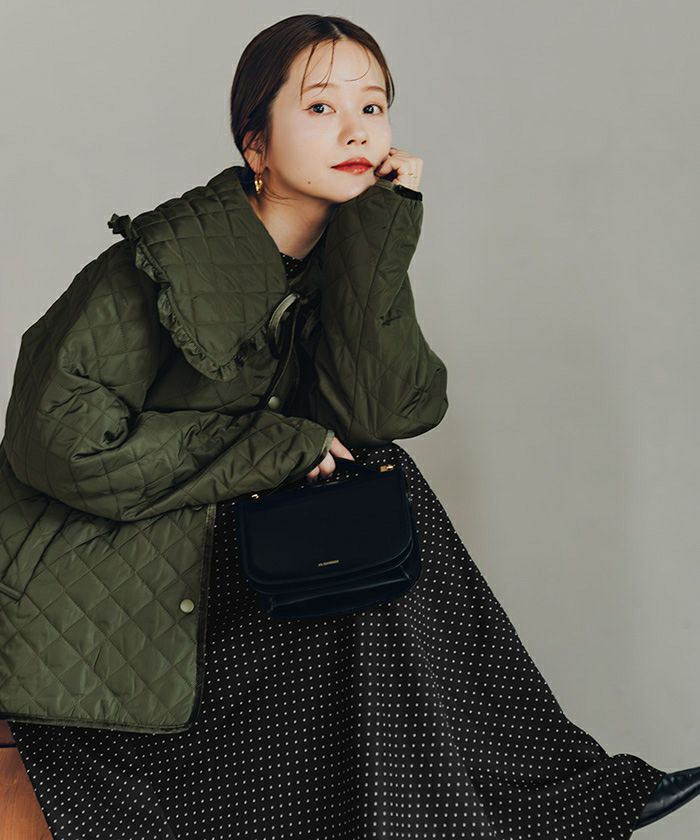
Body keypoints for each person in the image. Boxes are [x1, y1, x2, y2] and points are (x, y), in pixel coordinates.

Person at [3, 13, 699, 839]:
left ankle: (541, 799)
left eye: (372, 107)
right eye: (321, 107)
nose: (356, 130)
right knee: (367, 548)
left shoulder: (338, 257)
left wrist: (379, 240)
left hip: (220, 552)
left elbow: (382, 411)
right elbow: (57, 439)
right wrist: (268, 450)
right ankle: (548, 799)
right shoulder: (156, 266)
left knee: (374, 499)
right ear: (256, 144)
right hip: (104, 567)